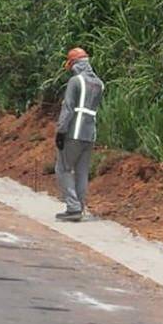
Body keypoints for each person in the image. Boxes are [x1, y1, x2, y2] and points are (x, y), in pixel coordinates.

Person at [55, 47, 105, 221]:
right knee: (82, 172)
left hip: (74, 133)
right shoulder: (99, 83)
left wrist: (61, 131)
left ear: (74, 64)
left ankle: (73, 207)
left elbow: (68, 109)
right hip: (90, 134)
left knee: (63, 168)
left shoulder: (75, 82)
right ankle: (80, 206)